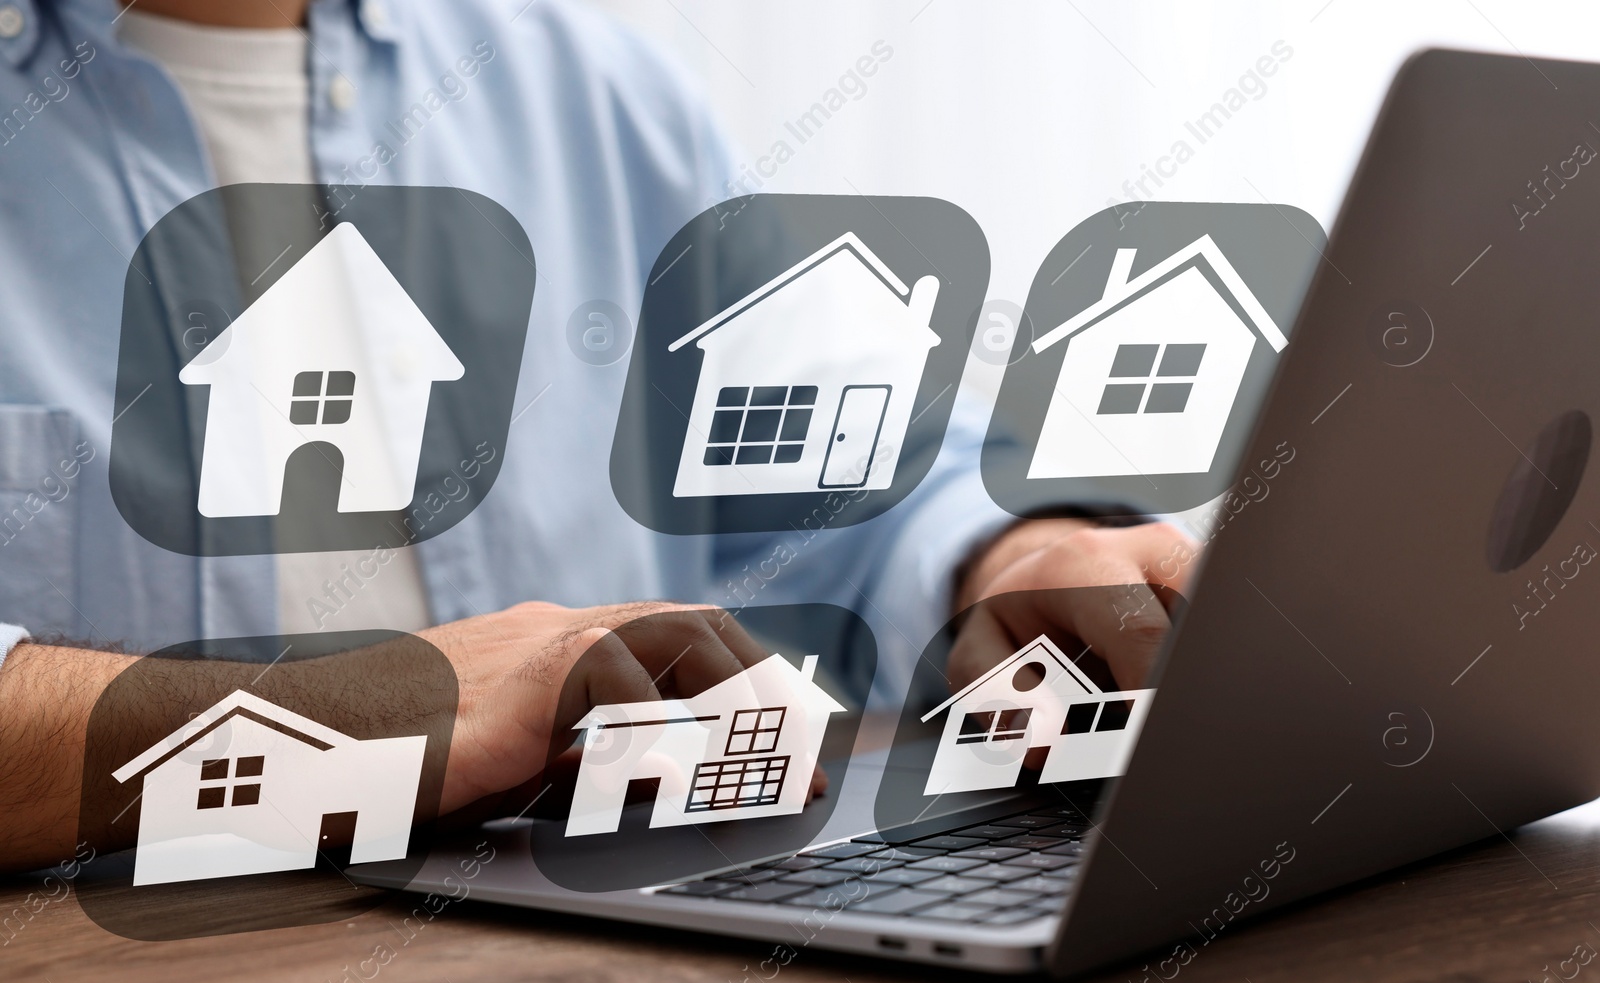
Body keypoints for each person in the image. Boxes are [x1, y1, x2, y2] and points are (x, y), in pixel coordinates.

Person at [0, 0, 1195, 871]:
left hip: (603, 976)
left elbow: (839, 470)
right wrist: (350, 714)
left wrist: (1009, 556)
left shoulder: (598, 86)